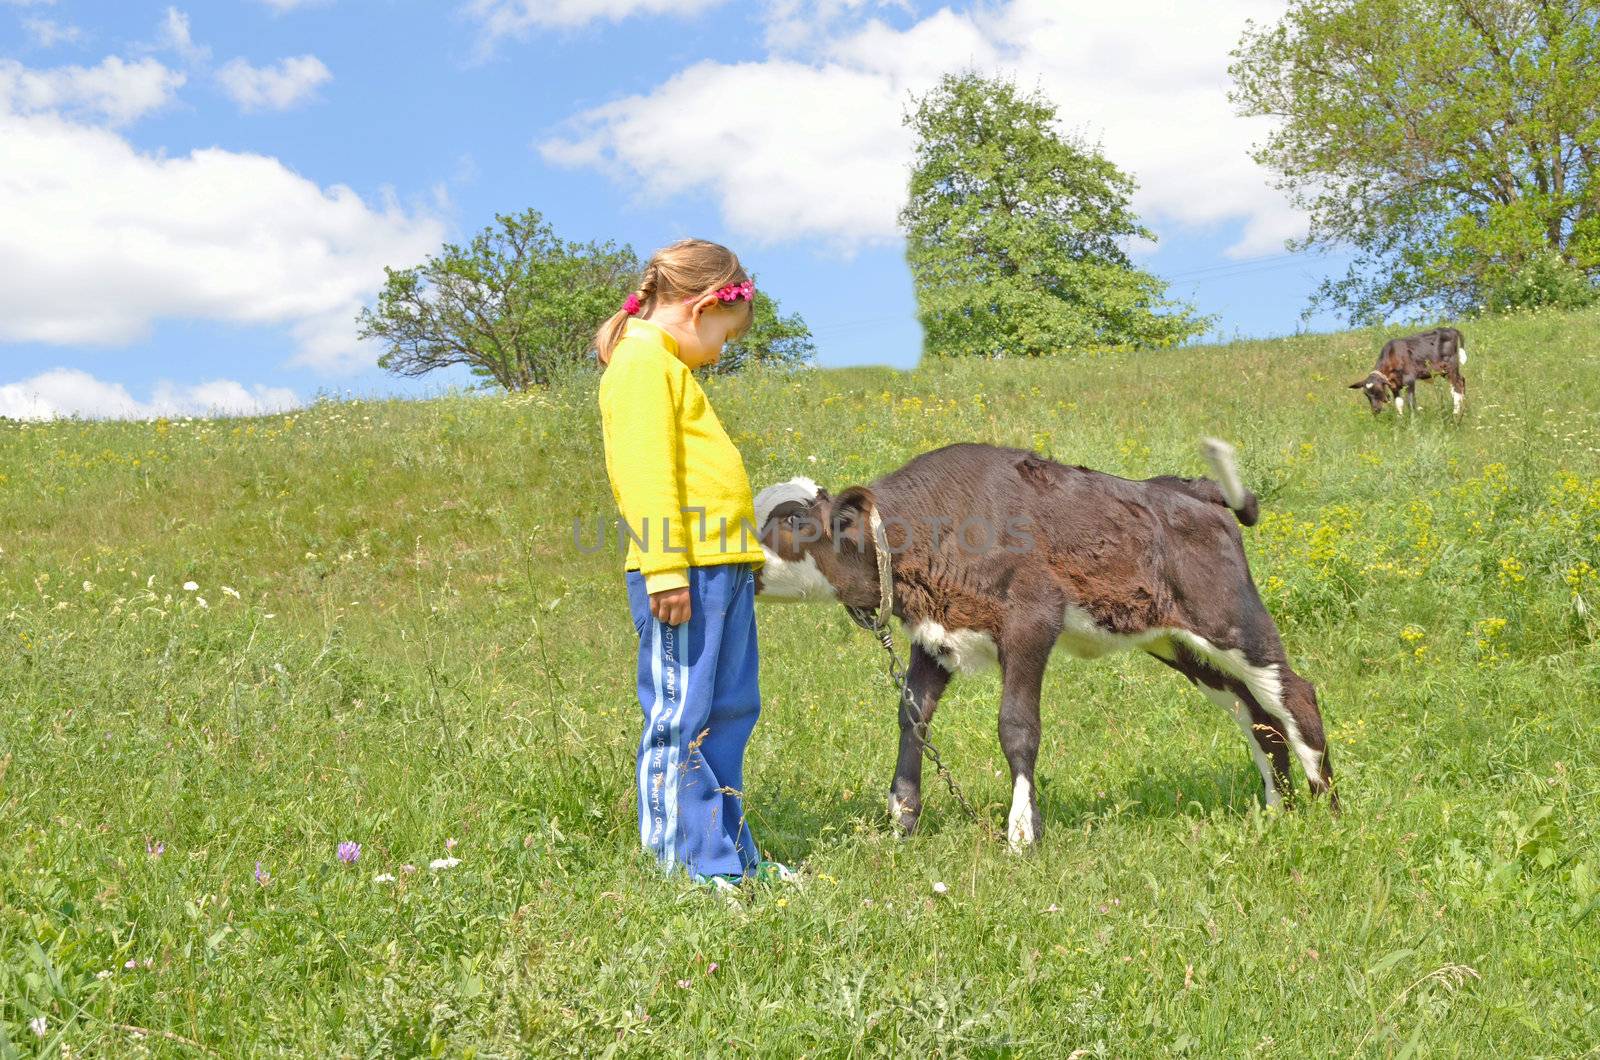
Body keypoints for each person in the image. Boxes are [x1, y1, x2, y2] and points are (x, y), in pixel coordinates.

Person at [594, 239, 794, 889]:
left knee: (729, 714)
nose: (722, 351)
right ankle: (682, 871)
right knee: (680, 720)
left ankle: (730, 861)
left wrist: (741, 558)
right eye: (726, 336)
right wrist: (664, 568)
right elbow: (644, 474)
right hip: (683, 573)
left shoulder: (670, 369)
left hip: (721, 569)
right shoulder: (640, 365)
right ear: (701, 305)